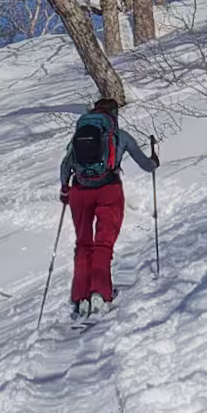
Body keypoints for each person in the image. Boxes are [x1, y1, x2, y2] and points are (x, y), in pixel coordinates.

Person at [59, 89, 154, 312]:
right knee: (103, 243)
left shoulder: (80, 135)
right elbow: (146, 165)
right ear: (114, 115)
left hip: (79, 193)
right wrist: (154, 161)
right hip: (109, 190)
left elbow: (65, 166)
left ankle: (80, 296)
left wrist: (65, 189)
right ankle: (100, 292)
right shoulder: (120, 136)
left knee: (83, 244)